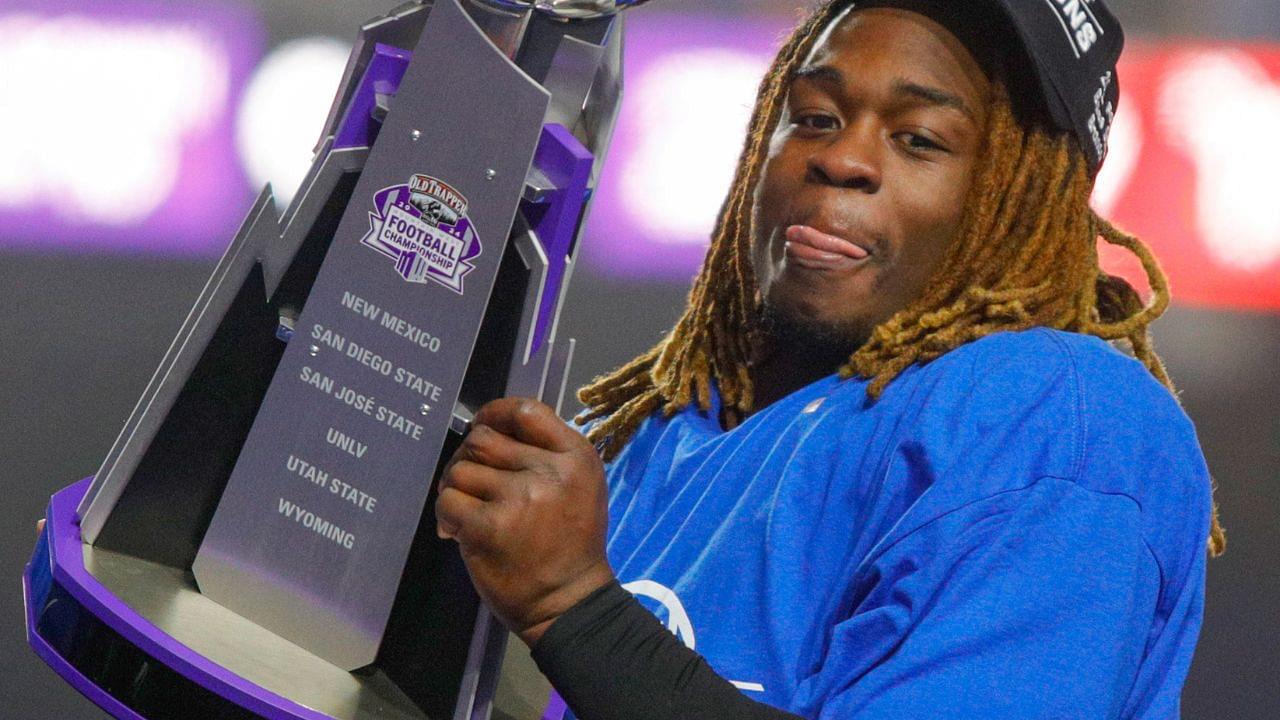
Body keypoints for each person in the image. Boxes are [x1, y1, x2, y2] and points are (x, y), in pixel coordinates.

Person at [433, 0, 1227, 717]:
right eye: (812, 116)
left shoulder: (1055, 415)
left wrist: (571, 607)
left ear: (1025, 194)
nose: (841, 158)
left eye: (919, 138)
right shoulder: (661, 433)